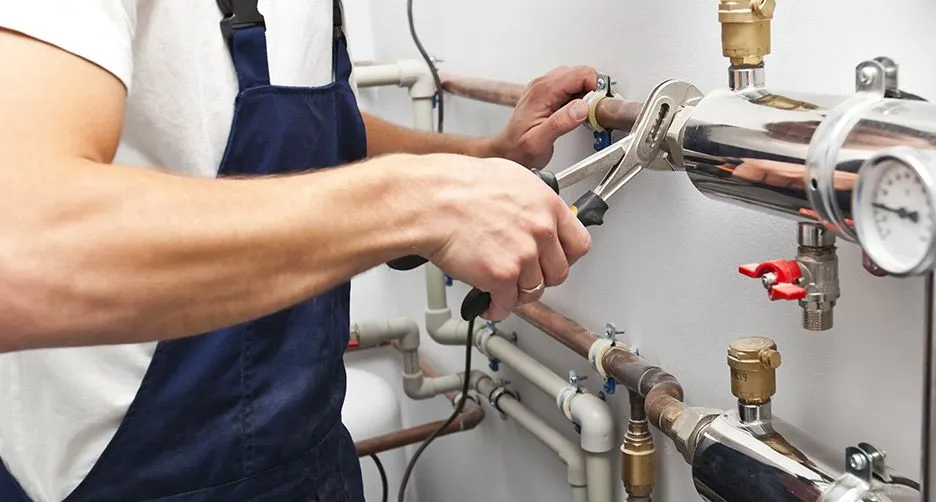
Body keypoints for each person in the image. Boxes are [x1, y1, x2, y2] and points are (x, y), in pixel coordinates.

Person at [0, 1, 596, 501]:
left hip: (308, 456)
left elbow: (317, 139)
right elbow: (21, 246)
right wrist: (418, 203)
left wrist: (485, 160)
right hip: (129, 479)